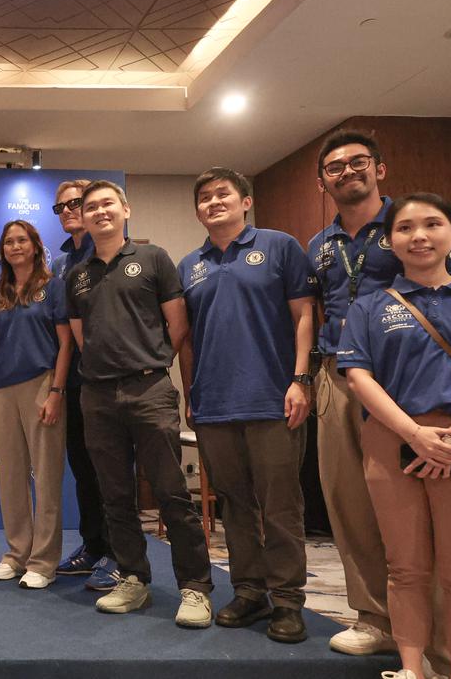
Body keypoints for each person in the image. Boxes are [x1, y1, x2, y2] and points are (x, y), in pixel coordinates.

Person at [337, 193, 451, 679]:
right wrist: (415, 434)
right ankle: (412, 668)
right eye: (406, 228)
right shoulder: (370, 307)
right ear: (391, 241)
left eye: (433, 224)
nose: (419, 236)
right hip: (391, 440)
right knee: (406, 569)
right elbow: (358, 377)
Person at [307, 130, 451, 656]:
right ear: (323, 181)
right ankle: (374, 617)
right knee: (349, 501)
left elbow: (450, 295)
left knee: (420, 502)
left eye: (359, 162)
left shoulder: (412, 225)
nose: (347, 172)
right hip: (335, 375)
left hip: (404, 378)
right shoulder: (320, 244)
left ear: (380, 169)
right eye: (335, 167)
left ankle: (440, 636)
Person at [65, 180, 214, 627]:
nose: (100, 212)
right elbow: (79, 335)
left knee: (171, 492)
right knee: (114, 495)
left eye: (108, 203)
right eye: (91, 207)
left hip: (149, 389)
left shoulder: (153, 259)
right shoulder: (78, 274)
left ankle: (195, 588)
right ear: (84, 218)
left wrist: (148, 362)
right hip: (97, 393)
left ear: (125, 208)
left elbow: (177, 324)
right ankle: (132, 577)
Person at [177, 168, 315, 642]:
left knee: (280, 505)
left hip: (273, 397)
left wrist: (301, 379)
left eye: (223, 195)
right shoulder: (188, 266)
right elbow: (188, 340)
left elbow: (304, 315)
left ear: (246, 201)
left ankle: (288, 600)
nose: (213, 203)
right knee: (235, 505)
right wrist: (192, 392)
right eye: (204, 198)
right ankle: (249, 591)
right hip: (214, 403)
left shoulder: (279, 246)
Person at [0, 220, 71, 589]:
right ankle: (17, 554)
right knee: (10, 477)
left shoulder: (53, 288)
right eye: (8, 242)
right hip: (1, 389)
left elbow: (67, 343)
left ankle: (43, 561)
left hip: (41, 383)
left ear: (35, 246)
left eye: (22, 240)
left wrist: (56, 391)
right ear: (2, 250)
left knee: (46, 477)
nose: (15, 246)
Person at [50, 178, 116, 590]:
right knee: (83, 467)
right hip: (72, 381)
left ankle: (117, 552)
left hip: (108, 378)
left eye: (78, 202)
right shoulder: (58, 264)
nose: (71, 210)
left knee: (110, 470)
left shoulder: (108, 252)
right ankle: (93, 545)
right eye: (62, 207)